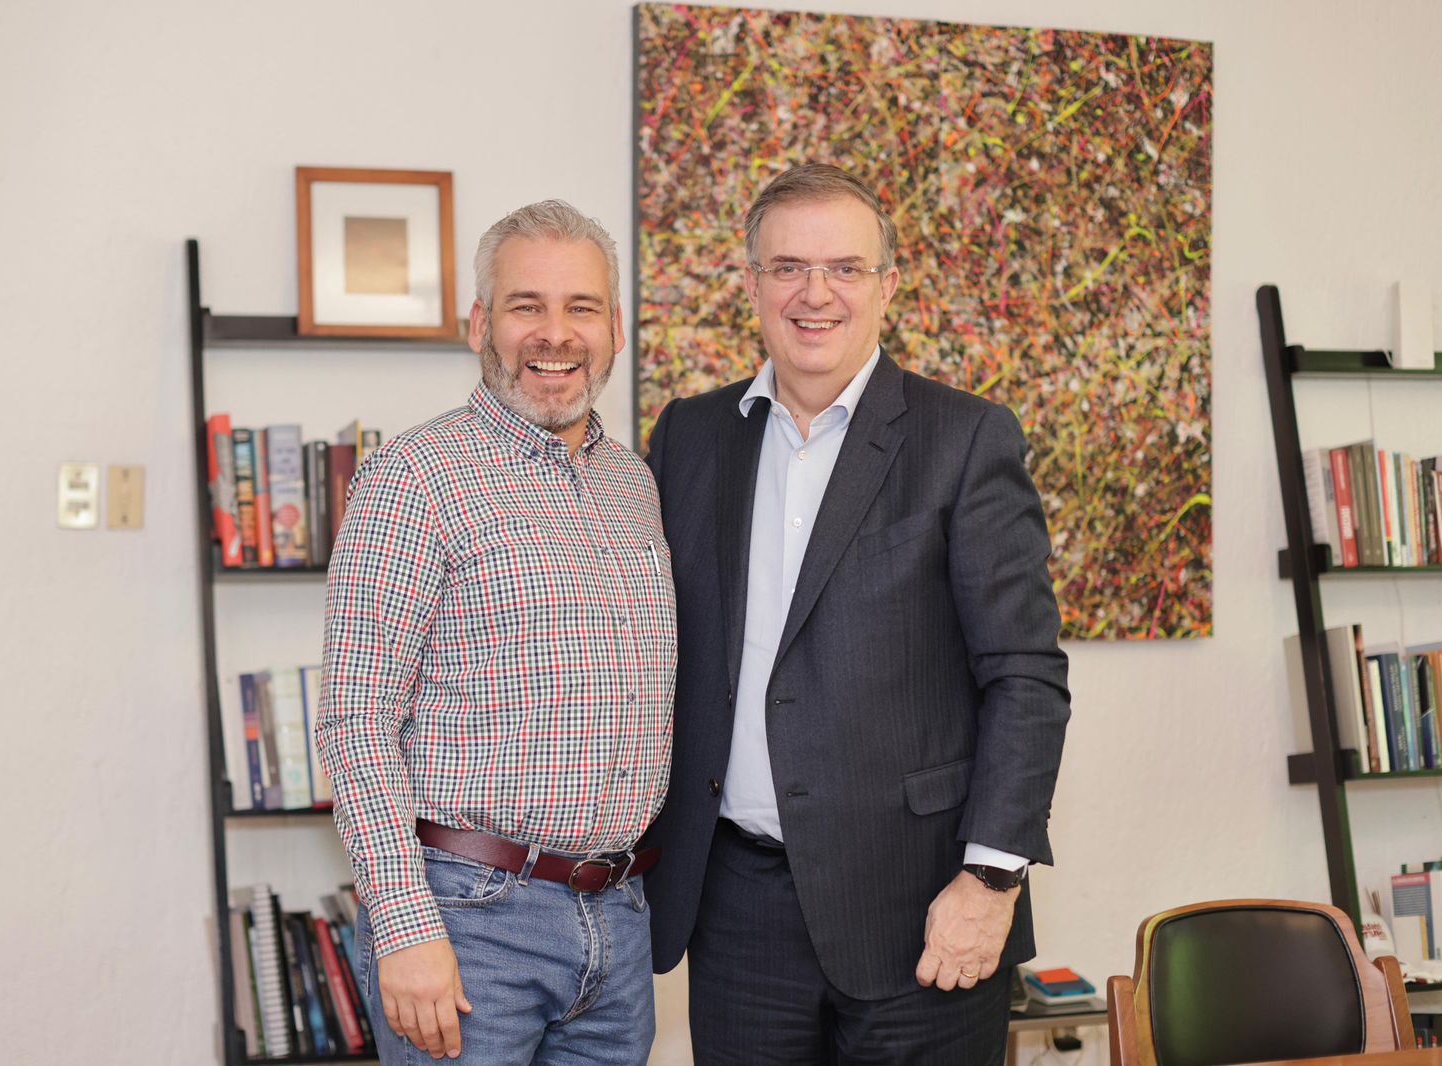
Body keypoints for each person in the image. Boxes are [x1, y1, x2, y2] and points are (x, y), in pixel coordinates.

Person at [640, 163, 1071, 1064]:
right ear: (752, 283)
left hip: (922, 909)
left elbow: (1025, 677)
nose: (815, 294)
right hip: (737, 915)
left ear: (887, 285)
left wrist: (991, 879)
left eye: (844, 268)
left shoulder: (965, 438)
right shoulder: (688, 436)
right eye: (788, 267)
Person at [317, 200, 676, 1065]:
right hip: (468, 923)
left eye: (581, 307)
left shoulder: (635, 483)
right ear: (482, 324)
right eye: (526, 306)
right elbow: (355, 719)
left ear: (615, 329)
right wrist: (404, 925)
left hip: (619, 924)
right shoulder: (414, 477)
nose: (556, 334)